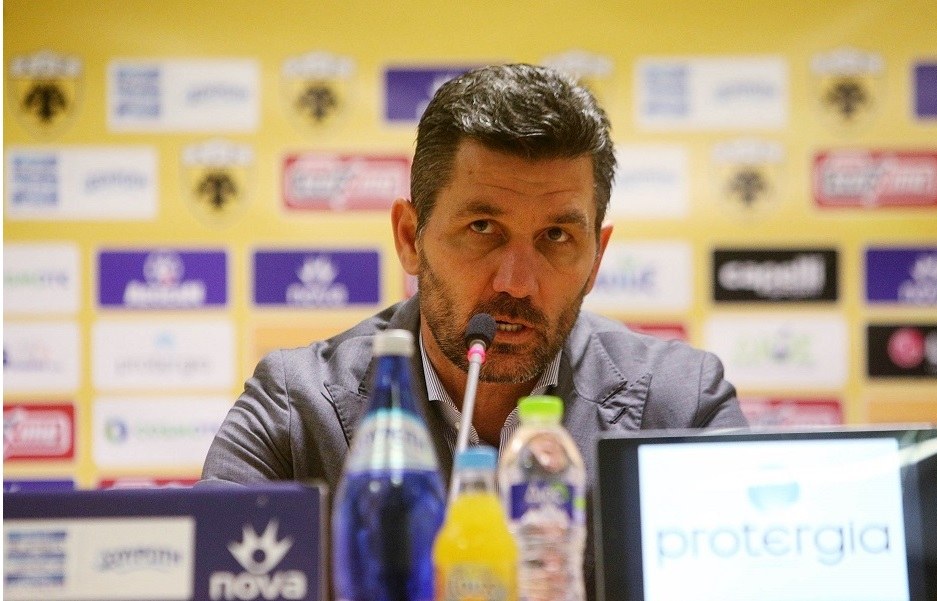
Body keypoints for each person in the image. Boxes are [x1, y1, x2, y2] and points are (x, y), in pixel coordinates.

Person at [201, 63, 747, 598]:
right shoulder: (296, 410)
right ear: (411, 238)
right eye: (482, 228)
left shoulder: (681, 407)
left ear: (596, 258)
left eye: (557, 236)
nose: (518, 283)